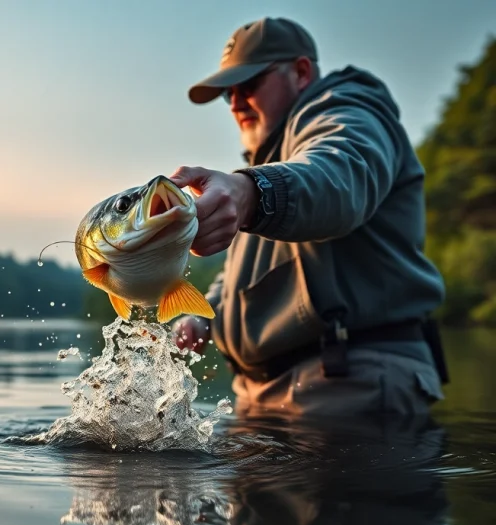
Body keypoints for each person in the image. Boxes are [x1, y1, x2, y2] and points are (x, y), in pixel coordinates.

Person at [168, 17, 449, 418]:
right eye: (227, 93)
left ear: (301, 73)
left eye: (249, 85)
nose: (234, 103)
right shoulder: (268, 166)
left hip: (346, 384)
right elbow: (242, 272)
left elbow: (341, 175)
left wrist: (250, 192)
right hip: (265, 394)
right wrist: (205, 314)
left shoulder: (346, 107)